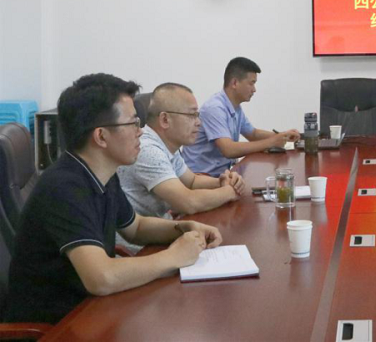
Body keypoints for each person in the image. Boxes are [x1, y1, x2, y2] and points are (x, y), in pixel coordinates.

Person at [4, 74, 221, 324]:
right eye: (133, 123)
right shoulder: (64, 188)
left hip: (91, 311)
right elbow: (101, 277)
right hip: (57, 326)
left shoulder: (104, 173)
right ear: (101, 136)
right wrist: (174, 257)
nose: (141, 131)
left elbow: (135, 227)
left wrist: (183, 227)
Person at [118, 82, 246, 225]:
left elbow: (192, 181)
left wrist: (221, 182)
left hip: (163, 227)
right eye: (192, 115)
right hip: (144, 238)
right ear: (165, 120)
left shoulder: (167, 144)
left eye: (197, 115)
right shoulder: (148, 150)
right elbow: (188, 202)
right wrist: (231, 191)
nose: (199, 122)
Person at [182, 57, 300, 177]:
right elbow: (229, 150)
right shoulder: (214, 108)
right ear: (235, 83)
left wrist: (283, 136)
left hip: (221, 174)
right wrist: (271, 142)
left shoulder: (235, 107)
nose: (254, 90)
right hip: (200, 178)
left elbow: (253, 134)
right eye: (251, 83)